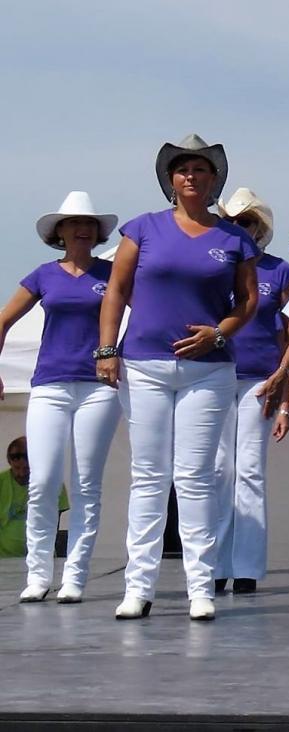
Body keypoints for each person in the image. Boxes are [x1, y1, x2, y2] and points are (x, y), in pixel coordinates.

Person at [98, 134, 260, 622]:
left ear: (213, 180)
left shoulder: (235, 238)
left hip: (208, 372)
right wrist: (107, 349)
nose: (191, 175)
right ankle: (139, 587)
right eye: (183, 169)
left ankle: (200, 588)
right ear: (171, 179)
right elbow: (116, 289)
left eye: (201, 169)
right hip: (145, 365)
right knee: (148, 476)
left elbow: (248, 301)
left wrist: (220, 332)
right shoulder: (142, 229)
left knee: (196, 478)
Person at [0, 193, 119, 601]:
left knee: (88, 484)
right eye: (72, 223)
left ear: (97, 232)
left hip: (98, 387)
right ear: (60, 232)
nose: (82, 229)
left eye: (88, 223)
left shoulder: (113, 272)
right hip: (49, 384)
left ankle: (75, 576)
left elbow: (146, 313)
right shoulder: (43, 275)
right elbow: (2, 320)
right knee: (43, 481)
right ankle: (38, 575)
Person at [210, 188, 289, 595]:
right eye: (230, 221)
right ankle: (214, 564)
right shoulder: (214, 266)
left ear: (259, 227)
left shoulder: (280, 272)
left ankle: (246, 567)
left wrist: (286, 392)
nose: (237, 228)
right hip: (214, 373)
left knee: (249, 471)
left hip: (261, 379)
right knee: (216, 471)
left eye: (245, 221)